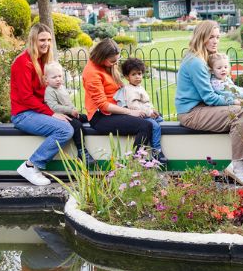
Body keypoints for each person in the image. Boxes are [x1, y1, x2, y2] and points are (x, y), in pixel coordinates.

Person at [175, 21, 243, 185]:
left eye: (218, 37)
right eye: (211, 37)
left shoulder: (205, 59)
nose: (215, 41)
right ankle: (238, 165)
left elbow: (226, 87)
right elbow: (210, 98)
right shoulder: (196, 62)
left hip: (201, 108)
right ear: (201, 37)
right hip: (191, 113)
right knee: (241, 111)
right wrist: (240, 101)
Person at [11, 24, 73, 186]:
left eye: (49, 40)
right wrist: (52, 114)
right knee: (64, 129)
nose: (46, 43)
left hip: (37, 111)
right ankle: (31, 165)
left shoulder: (43, 61)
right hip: (23, 114)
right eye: (42, 40)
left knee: (74, 120)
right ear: (33, 40)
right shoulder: (23, 62)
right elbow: (26, 97)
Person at [82, 39, 152, 154]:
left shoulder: (107, 65)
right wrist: (130, 112)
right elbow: (103, 105)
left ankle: (156, 153)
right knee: (145, 126)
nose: (115, 63)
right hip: (101, 117)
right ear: (102, 58)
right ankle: (136, 163)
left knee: (150, 119)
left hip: (115, 110)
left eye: (117, 59)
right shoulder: (91, 72)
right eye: (112, 61)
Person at [115, 57, 167, 164]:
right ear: (126, 77)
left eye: (139, 73)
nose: (137, 77)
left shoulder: (139, 87)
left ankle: (152, 143)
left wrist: (152, 110)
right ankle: (156, 151)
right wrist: (149, 112)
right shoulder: (129, 89)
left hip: (146, 112)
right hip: (139, 115)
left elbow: (146, 102)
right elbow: (133, 105)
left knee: (160, 120)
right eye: (133, 74)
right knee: (155, 126)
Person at [43, 61, 94, 167]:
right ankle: (82, 151)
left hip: (69, 113)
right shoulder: (49, 91)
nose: (58, 79)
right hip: (60, 116)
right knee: (77, 125)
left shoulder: (61, 87)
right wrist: (70, 111)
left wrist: (74, 110)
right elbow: (53, 107)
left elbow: (68, 102)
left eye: (60, 76)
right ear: (46, 79)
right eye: (54, 77)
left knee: (87, 117)